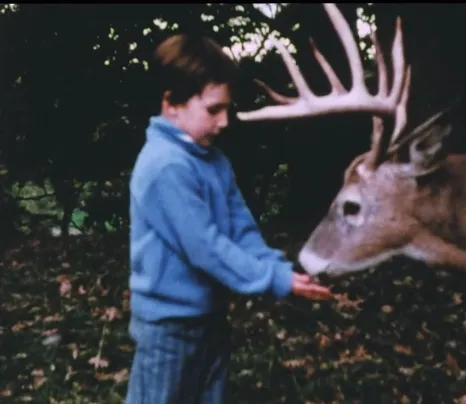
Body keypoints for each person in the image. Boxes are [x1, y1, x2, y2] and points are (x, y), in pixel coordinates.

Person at [125, 33, 332, 404]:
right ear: (171, 103)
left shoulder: (213, 161)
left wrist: (278, 268)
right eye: (212, 110)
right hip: (167, 328)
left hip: (209, 319)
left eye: (226, 109)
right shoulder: (164, 166)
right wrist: (272, 279)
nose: (224, 122)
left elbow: (240, 230)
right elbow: (205, 247)